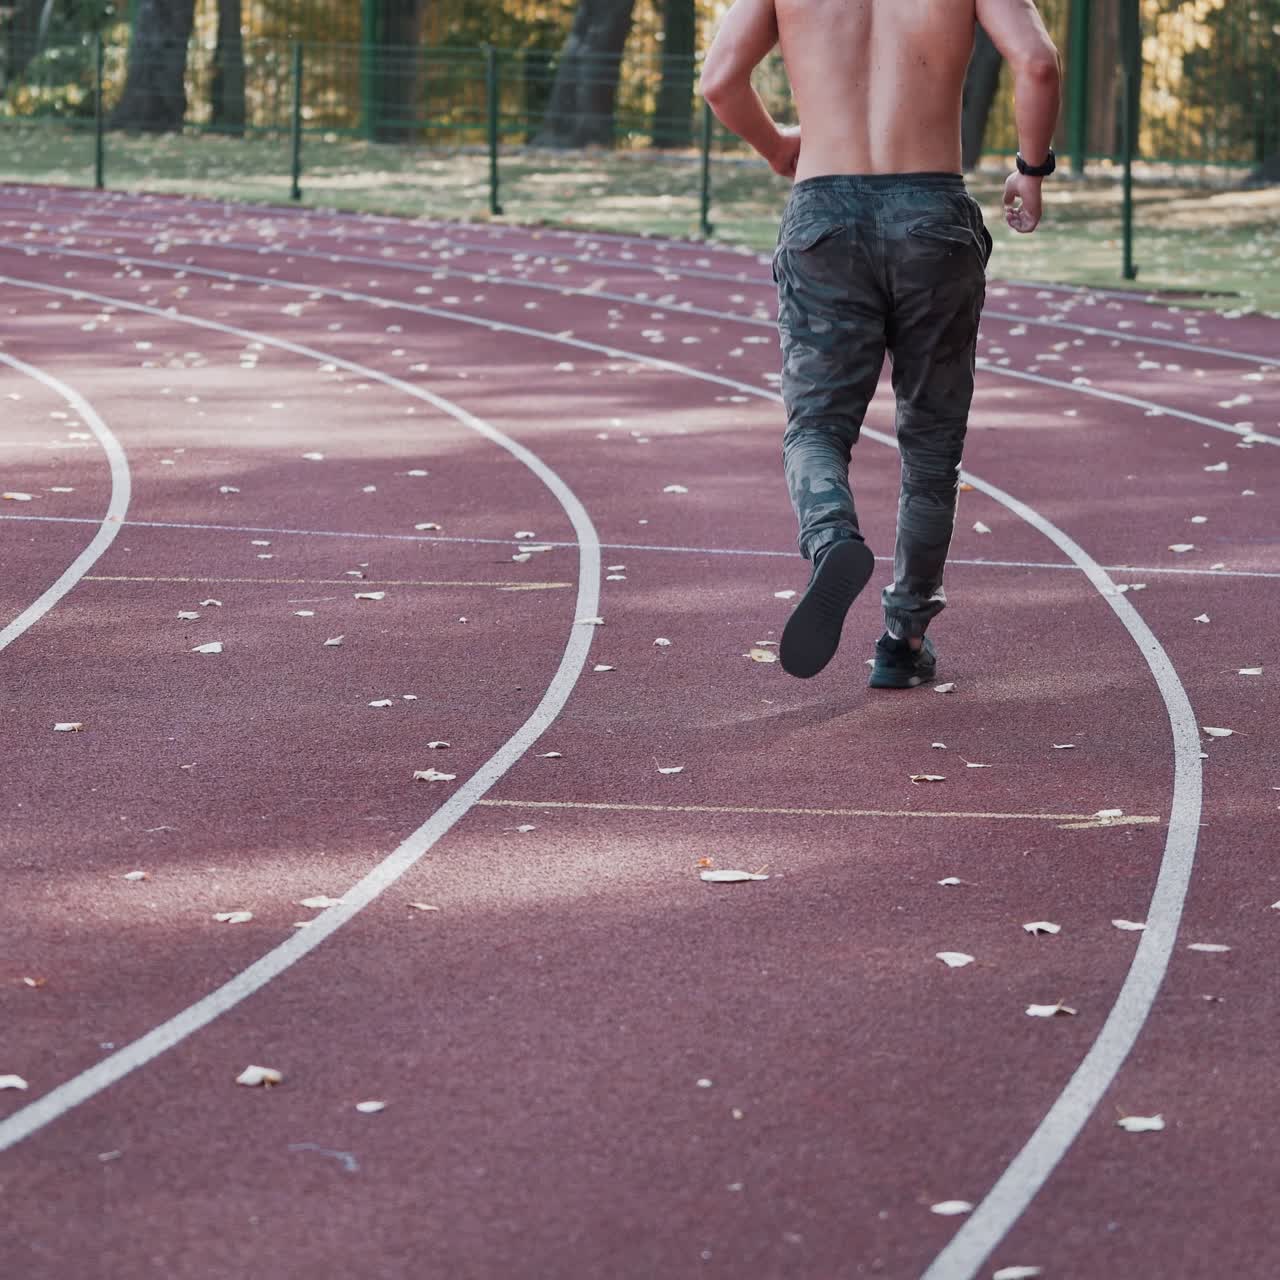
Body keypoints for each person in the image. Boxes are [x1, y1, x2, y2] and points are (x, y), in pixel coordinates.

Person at [702, 0, 1061, 685]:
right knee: (931, 446)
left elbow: (720, 81)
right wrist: (1030, 170)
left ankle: (832, 536)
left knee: (816, 427)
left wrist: (778, 146)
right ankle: (903, 639)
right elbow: (1039, 65)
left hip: (825, 219)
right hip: (930, 214)